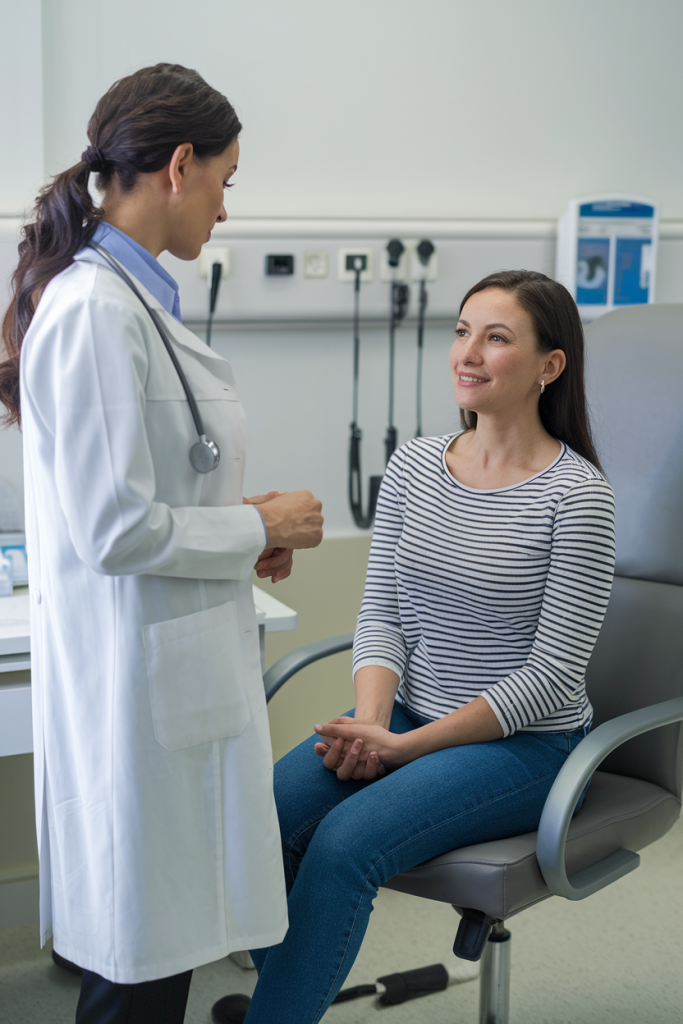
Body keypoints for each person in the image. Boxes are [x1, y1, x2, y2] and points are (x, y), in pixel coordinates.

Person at [0, 64, 323, 1023]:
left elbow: (153, 490)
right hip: (138, 691)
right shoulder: (97, 309)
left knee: (157, 957)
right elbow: (114, 528)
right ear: (178, 166)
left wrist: (235, 526)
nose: (225, 208)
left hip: (163, 675)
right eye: (225, 179)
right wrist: (258, 524)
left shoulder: (131, 301)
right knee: (137, 975)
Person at [225, 270, 615, 1024]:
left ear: (549, 366)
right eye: (462, 330)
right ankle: (292, 1001)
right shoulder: (412, 465)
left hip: (527, 747)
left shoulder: (578, 496)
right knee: (256, 819)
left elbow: (548, 678)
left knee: (342, 846)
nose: (467, 353)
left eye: (496, 338)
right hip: (404, 716)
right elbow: (383, 614)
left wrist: (405, 748)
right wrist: (375, 723)